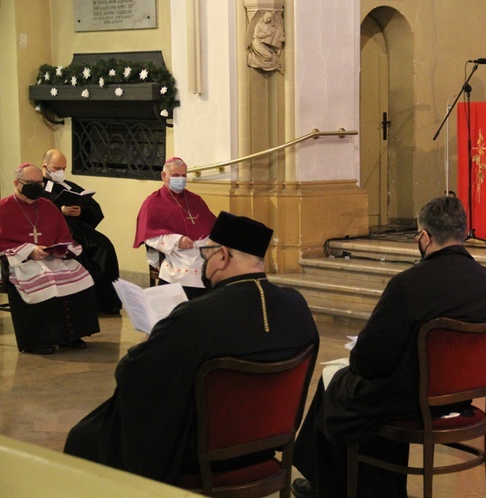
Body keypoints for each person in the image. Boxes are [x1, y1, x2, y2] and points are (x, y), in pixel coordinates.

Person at [64, 211, 319, 484]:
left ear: (222, 256)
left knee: (85, 437)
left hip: (198, 455)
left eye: (206, 252)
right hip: (265, 446)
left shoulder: (195, 315)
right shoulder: (296, 305)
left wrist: (152, 339)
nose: (203, 261)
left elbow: (131, 375)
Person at [291, 196, 486, 498]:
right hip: (462, 397)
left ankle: (331, 486)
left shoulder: (408, 285)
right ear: (463, 234)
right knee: (351, 386)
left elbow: (368, 361)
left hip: (412, 397)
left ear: (425, 237)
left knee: (337, 383)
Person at [0, 164, 100, 354]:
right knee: (46, 282)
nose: (37, 186)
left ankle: (70, 336)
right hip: (20, 261)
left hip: (50, 258)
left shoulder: (47, 206)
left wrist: (60, 249)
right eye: (31, 183)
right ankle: (36, 341)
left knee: (81, 278)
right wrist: (29, 250)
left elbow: (63, 235)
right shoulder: (3, 208)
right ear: (16, 183)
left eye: (39, 182)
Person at [41, 149, 122, 315]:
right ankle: (82, 304)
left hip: (80, 230)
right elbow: (38, 212)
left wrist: (81, 210)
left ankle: (106, 302)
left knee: (104, 246)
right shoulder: (38, 188)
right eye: (57, 168)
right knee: (79, 253)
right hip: (59, 235)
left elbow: (93, 208)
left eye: (64, 168)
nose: (61, 172)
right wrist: (60, 210)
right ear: (45, 166)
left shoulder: (70, 186)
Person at [133, 157, 217, 299]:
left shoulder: (195, 200)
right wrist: (177, 241)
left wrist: (206, 243)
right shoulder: (152, 202)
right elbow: (149, 235)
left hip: (199, 250)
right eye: (176, 175)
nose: (181, 179)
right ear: (164, 176)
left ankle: (204, 306)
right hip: (174, 252)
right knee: (186, 267)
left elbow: (211, 227)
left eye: (183, 175)